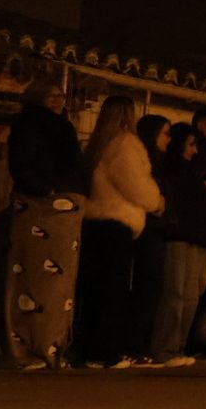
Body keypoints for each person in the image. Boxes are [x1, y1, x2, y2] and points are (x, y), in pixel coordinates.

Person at [76, 95, 164, 369]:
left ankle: (87, 348)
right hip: (117, 223)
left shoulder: (96, 146)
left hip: (94, 220)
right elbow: (135, 183)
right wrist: (157, 201)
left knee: (91, 289)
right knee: (113, 290)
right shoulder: (126, 143)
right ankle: (108, 351)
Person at [3, 80, 85, 370]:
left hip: (56, 202)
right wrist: (43, 189)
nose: (57, 101)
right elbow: (23, 162)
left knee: (54, 283)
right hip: (44, 203)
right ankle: (33, 345)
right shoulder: (32, 126)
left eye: (60, 96)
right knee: (39, 280)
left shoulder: (58, 126)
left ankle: (51, 344)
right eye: (51, 96)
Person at [151, 123, 206, 367]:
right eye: (191, 145)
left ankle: (178, 346)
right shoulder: (173, 172)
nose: (194, 151)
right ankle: (165, 348)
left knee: (190, 295)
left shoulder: (189, 172)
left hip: (195, 235)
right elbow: (181, 199)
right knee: (177, 293)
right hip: (180, 234)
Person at [128, 114, 172, 366]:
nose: (168, 139)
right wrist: (159, 204)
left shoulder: (162, 163)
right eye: (165, 133)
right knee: (144, 289)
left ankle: (142, 344)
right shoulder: (146, 162)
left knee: (153, 290)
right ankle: (135, 345)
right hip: (146, 230)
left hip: (157, 229)